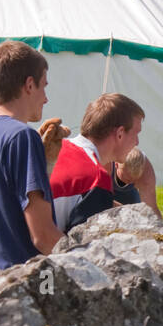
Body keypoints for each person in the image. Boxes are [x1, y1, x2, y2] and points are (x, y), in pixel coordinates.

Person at [0, 41, 63, 283]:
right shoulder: (22, 137)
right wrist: (89, 262)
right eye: (43, 86)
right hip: (28, 281)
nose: (46, 98)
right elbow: (43, 237)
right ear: (29, 85)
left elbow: (4, 212)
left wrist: (45, 165)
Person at [50, 92, 144, 232]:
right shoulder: (96, 178)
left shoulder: (57, 148)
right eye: (136, 134)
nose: (137, 142)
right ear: (120, 134)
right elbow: (80, 247)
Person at [112, 148, 162, 220]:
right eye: (127, 178)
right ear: (116, 165)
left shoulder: (146, 176)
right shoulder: (107, 163)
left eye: (134, 180)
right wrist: (126, 211)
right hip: (107, 186)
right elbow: (101, 198)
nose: (130, 182)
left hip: (129, 192)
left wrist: (162, 228)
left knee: (140, 216)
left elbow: (151, 209)